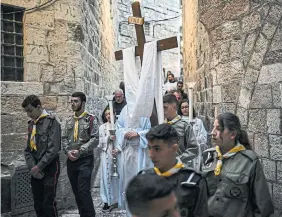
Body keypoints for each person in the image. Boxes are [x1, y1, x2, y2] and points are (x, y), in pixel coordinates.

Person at [202, 112, 274, 217]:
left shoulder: (250, 162)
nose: (213, 132)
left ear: (233, 134)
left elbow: (263, 207)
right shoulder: (207, 156)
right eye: (213, 128)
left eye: (219, 129)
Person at [140, 124, 208, 217]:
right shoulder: (144, 178)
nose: (151, 155)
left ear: (174, 149)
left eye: (157, 149)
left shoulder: (194, 181)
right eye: (149, 148)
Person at [22, 95, 61, 217]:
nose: (28, 114)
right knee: (37, 203)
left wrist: (39, 167)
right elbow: (28, 149)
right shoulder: (31, 124)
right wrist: (32, 167)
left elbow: (53, 149)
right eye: (26, 111)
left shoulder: (51, 122)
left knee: (48, 203)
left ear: (38, 107)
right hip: (35, 168)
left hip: (50, 167)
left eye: (30, 110)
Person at [62, 92, 99, 217]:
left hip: (85, 159)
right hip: (71, 159)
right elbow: (64, 138)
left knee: (84, 190)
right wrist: (67, 151)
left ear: (83, 103)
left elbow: (95, 139)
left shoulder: (91, 119)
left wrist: (80, 150)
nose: (72, 103)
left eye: (76, 101)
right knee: (77, 191)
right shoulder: (68, 120)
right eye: (71, 101)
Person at [114, 105, 151, 209]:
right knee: (128, 181)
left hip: (140, 151)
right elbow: (119, 127)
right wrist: (125, 133)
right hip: (127, 150)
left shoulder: (143, 109)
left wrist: (138, 133)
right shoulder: (125, 109)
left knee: (140, 179)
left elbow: (149, 130)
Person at [163, 94, 198, 167]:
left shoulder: (184, 125)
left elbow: (194, 149)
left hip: (180, 167)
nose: (163, 111)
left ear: (174, 107)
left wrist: (178, 159)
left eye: (165, 107)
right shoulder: (161, 125)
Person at [98, 109, 118, 212]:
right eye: (106, 114)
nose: (109, 116)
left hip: (118, 154)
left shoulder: (119, 125)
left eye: (110, 113)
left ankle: (117, 199)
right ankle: (107, 200)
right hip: (106, 153)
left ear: (114, 114)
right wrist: (108, 138)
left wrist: (118, 149)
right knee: (106, 177)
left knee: (118, 176)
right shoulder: (102, 127)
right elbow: (100, 142)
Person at [179, 100, 207, 170]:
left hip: (196, 154)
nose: (184, 109)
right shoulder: (179, 122)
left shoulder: (198, 122)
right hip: (183, 153)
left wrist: (192, 141)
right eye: (182, 107)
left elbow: (203, 137)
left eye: (186, 107)